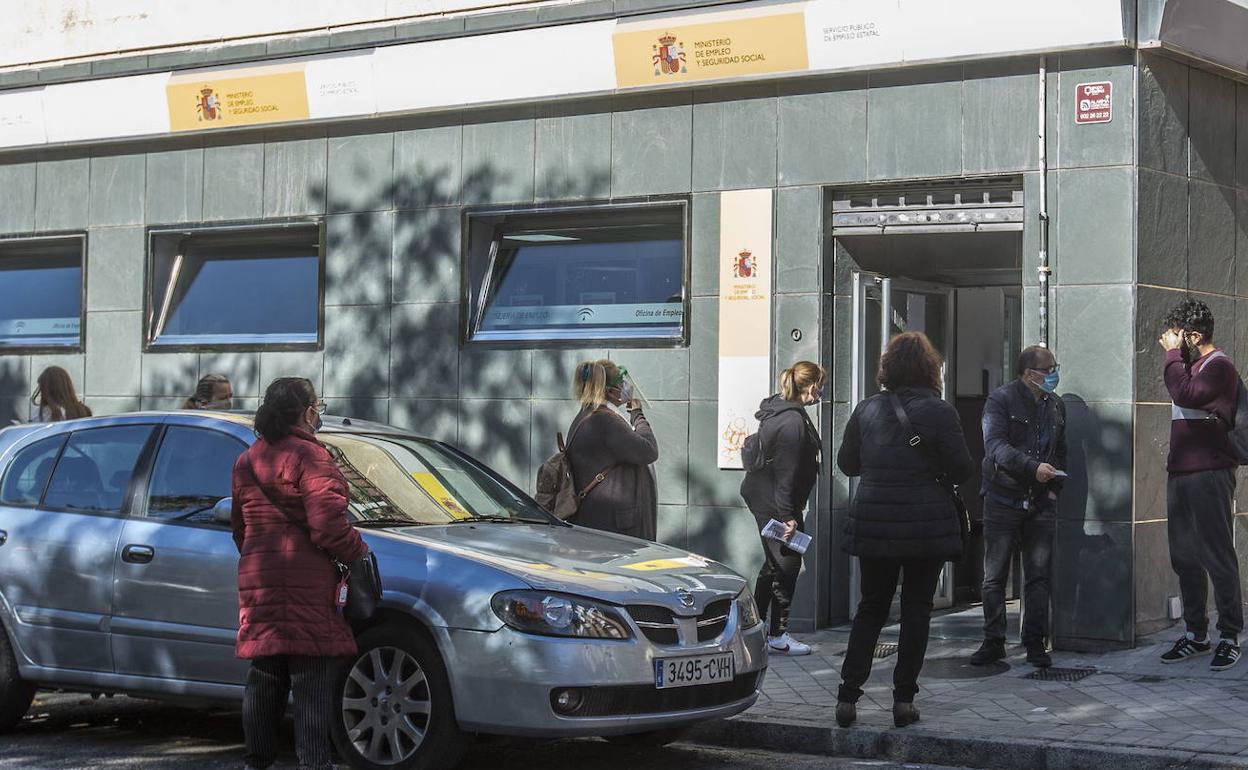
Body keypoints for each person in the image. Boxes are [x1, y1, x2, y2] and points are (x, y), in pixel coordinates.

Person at [835, 332, 974, 729]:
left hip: (875, 521)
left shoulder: (867, 409)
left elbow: (848, 464)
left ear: (887, 368)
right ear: (931, 369)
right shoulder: (941, 412)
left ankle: (847, 697)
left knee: (871, 607)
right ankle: (903, 702)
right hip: (925, 525)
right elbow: (963, 469)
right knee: (917, 610)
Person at [231, 377, 368, 770]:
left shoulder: (247, 459)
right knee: (312, 676)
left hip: (259, 579)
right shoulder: (311, 457)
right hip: (307, 580)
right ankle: (314, 763)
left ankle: (256, 761)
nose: (319, 413)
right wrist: (358, 550)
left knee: (265, 673)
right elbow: (327, 527)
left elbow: (240, 528)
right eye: (317, 406)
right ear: (307, 411)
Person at [1157, 299, 1242, 671]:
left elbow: (1185, 394)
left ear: (1194, 336)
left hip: (1210, 473)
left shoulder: (1219, 367)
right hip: (1182, 473)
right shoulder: (1190, 367)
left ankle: (1229, 635)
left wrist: (1173, 354)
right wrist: (1178, 357)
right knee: (1184, 557)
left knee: (1217, 555)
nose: (1170, 343)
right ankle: (1196, 634)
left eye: (1177, 336)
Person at [970, 346, 1066, 669]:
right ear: (1029, 374)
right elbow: (995, 447)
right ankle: (993, 640)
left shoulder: (1055, 406)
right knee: (994, 576)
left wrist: (1053, 491)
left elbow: (1060, 451)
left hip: (1040, 503)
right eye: (1049, 368)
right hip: (1002, 499)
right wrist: (1031, 467)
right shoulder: (1001, 400)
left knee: (1038, 576)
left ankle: (1035, 643)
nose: (1054, 373)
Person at [739, 361, 825, 657]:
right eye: (820, 385)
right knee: (787, 566)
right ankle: (777, 635)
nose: (821, 391)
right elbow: (786, 472)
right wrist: (788, 516)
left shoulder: (782, 410)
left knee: (773, 564)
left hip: (769, 500)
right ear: (812, 386)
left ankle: (757, 628)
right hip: (775, 504)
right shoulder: (791, 422)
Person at [564, 360, 658, 540]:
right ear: (610, 391)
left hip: (600, 521)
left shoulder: (587, 415)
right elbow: (649, 450)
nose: (626, 387)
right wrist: (637, 414)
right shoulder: (605, 421)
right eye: (621, 383)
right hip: (614, 527)